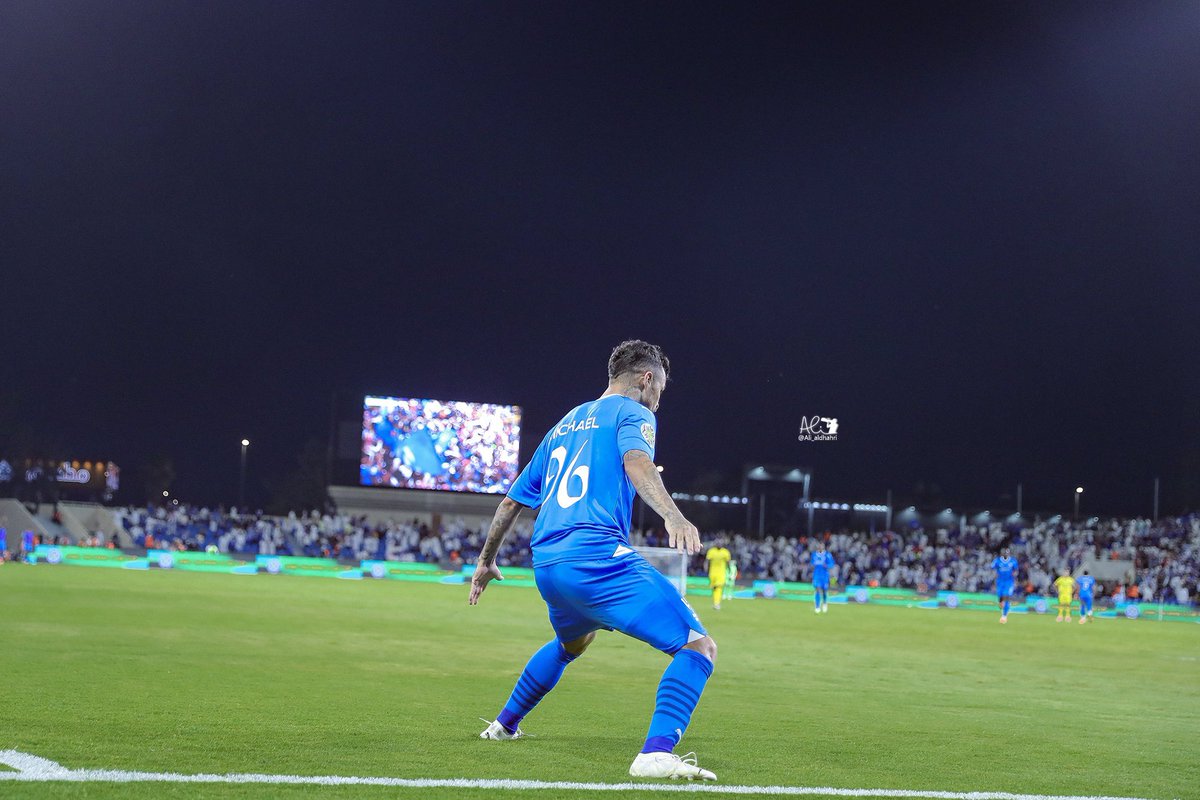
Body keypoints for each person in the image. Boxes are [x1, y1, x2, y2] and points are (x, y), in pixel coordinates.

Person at [469, 340, 718, 781]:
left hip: (547, 562)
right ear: (646, 379)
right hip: (596, 557)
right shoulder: (635, 413)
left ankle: (503, 726)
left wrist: (485, 561)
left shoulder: (563, 425)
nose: (660, 396)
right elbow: (637, 460)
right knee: (698, 647)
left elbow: (511, 503)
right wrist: (673, 515)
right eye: (660, 385)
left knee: (573, 643)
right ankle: (655, 754)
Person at [991, 547, 1018, 624]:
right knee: (1000, 598)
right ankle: (1001, 604)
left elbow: (1016, 571)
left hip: (1009, 582)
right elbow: (992, 568)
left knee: (1006, 597)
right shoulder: (997, 561)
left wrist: (1015, 579)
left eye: (1007, 553)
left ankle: (1004, 616)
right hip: (1000, 582)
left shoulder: (1013, 561)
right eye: (1004, 553)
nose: (1006, 554)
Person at [705, 538, 732, 610]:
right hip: (712, 573)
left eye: (720, 543)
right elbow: (707, 561)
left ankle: (717, 603)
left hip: (721, 573)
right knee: (714, 589)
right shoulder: (711, 551)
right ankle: (715, 602)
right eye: (718, 543)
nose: (719, 544)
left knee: (718, 587)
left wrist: (729, 571)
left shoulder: (725, 552)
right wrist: (705, 569)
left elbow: (728, 562)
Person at [811, 540, 835, 613]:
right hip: (817, 575)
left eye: (822, 545)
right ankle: (817, 606)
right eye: (819, 545)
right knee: (817, 589)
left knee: (824, 590)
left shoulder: (827, 555)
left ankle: (824, 603)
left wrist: (826, 565)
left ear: (824, 547)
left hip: (824, 575)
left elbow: (832, 564)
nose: (820, 547)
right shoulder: (814, 554)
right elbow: (812, 563)